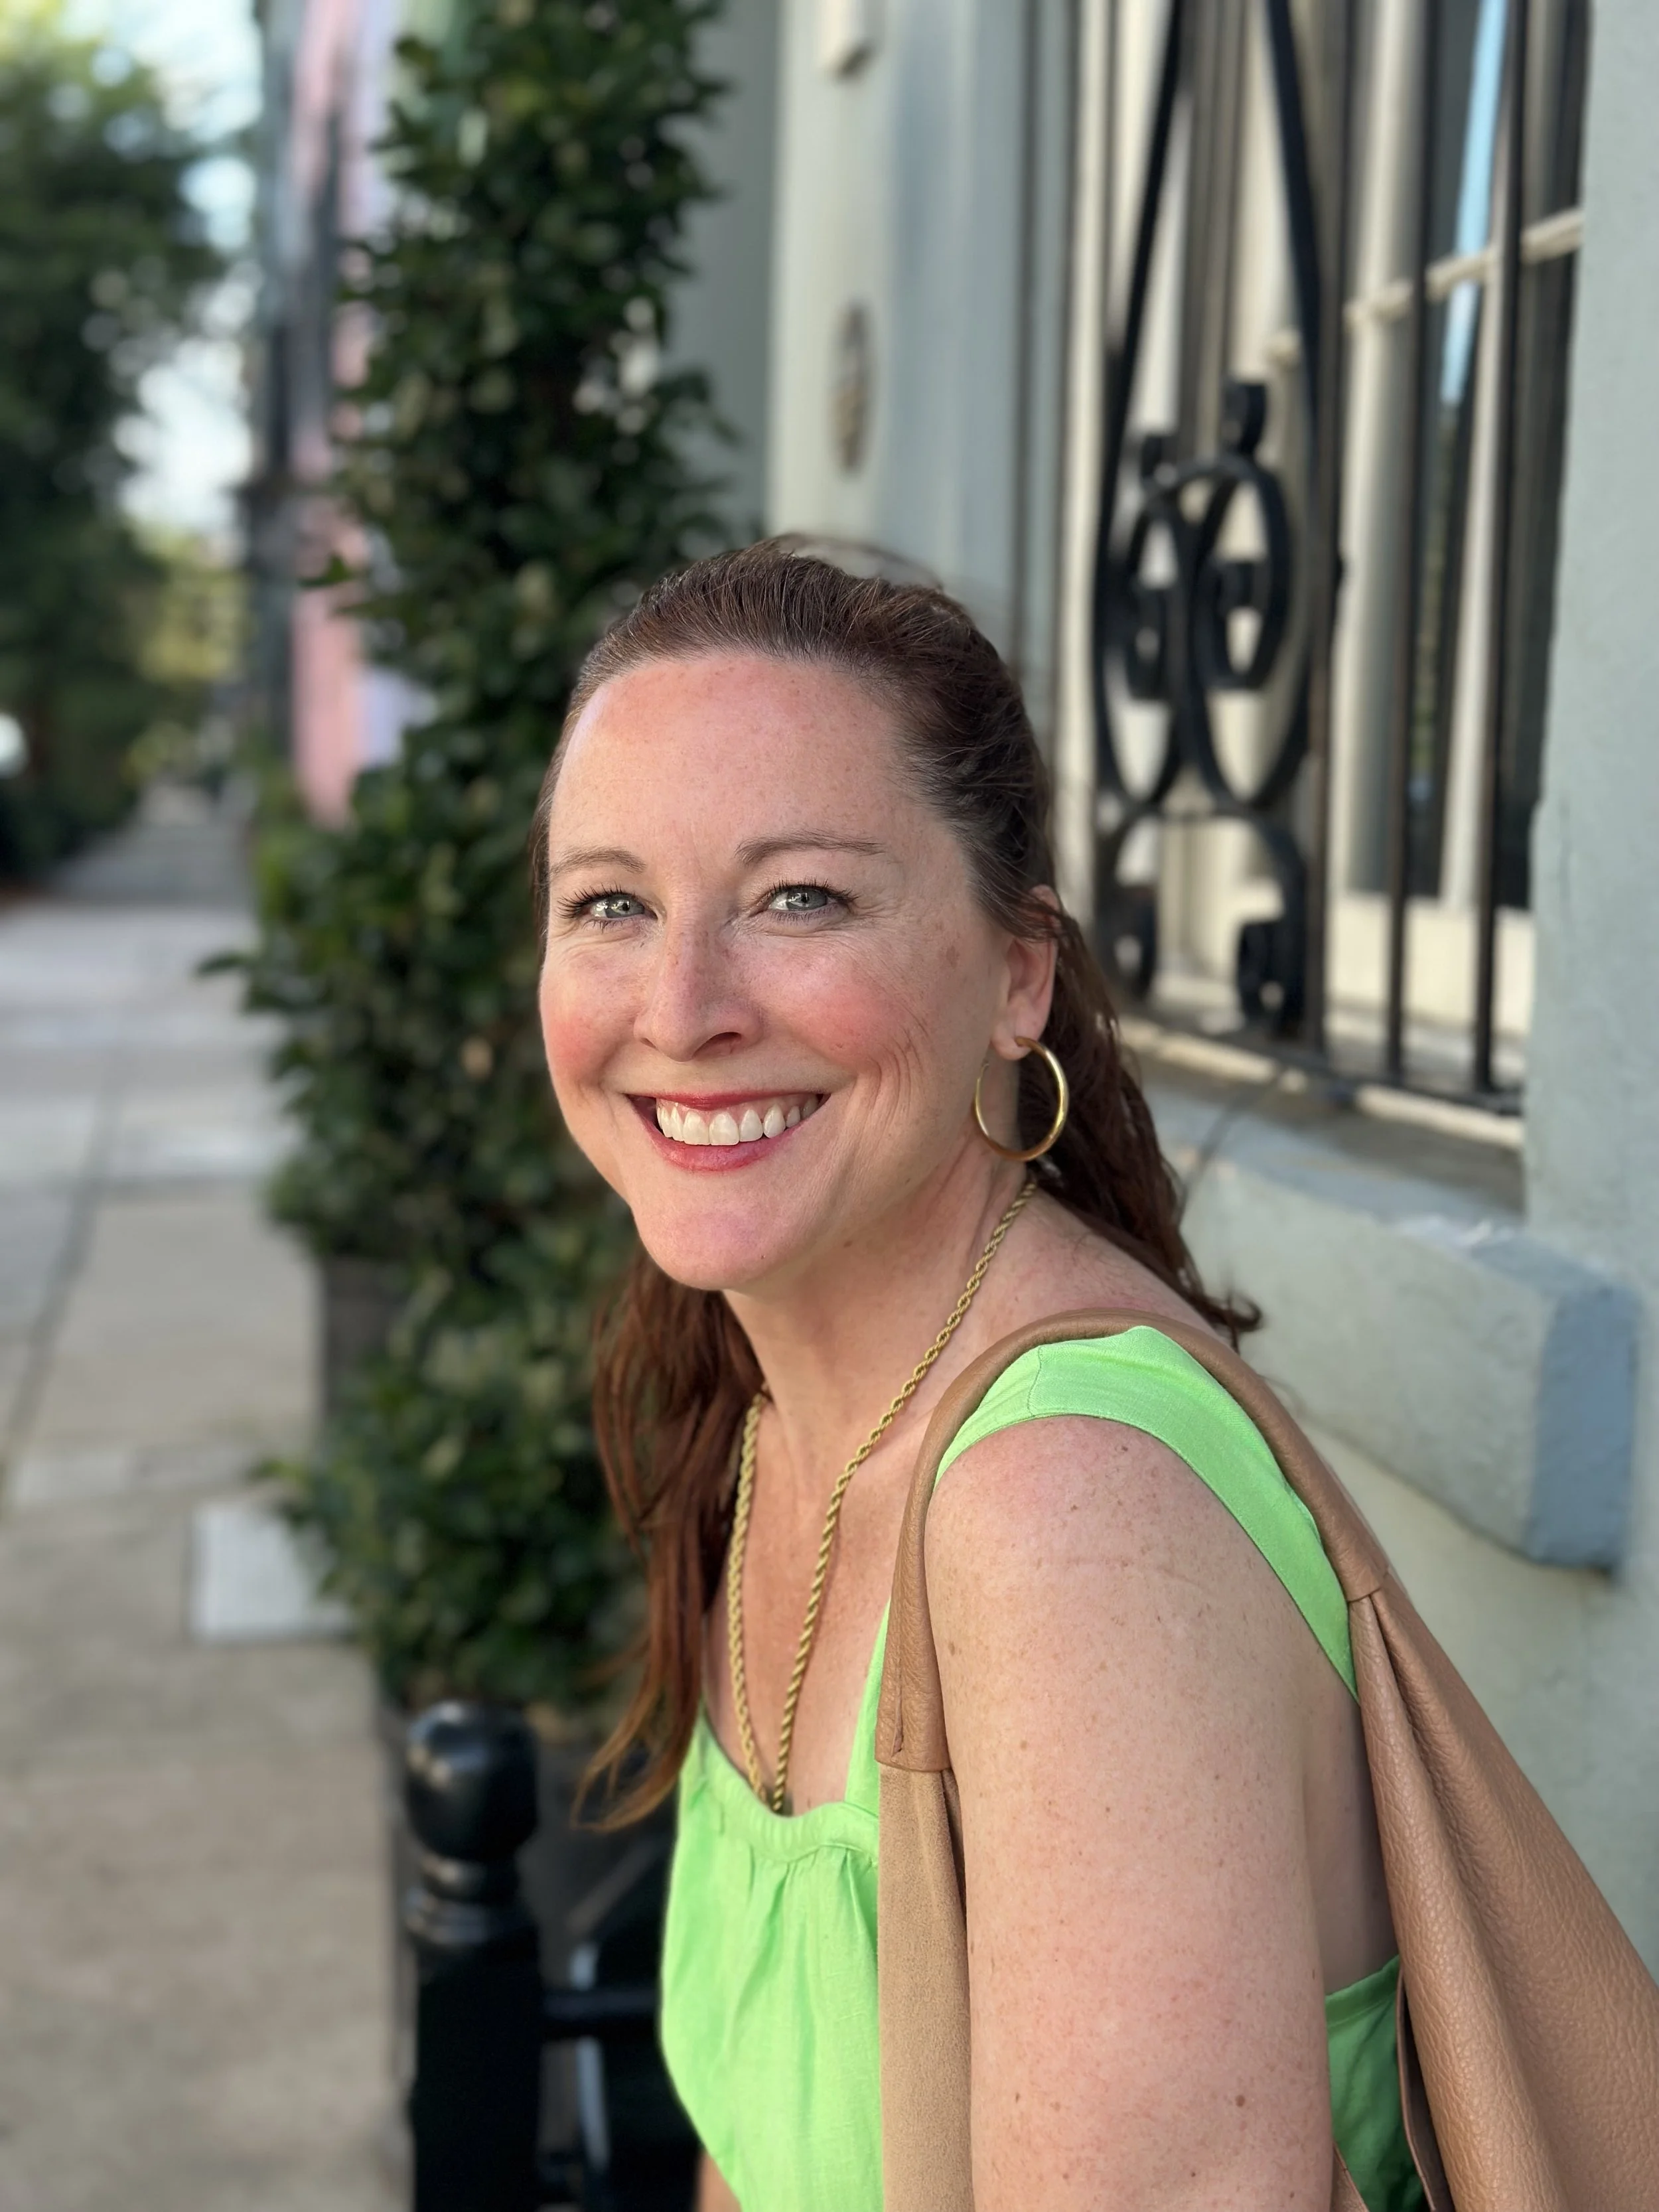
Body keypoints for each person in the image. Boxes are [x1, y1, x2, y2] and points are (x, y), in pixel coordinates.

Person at [533, 541, 1417, 2211]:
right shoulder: (784, 1411)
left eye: (799, 897)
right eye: (611, 904)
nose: (682, 1004)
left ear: (1018, 975)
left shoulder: (1062, 1513)